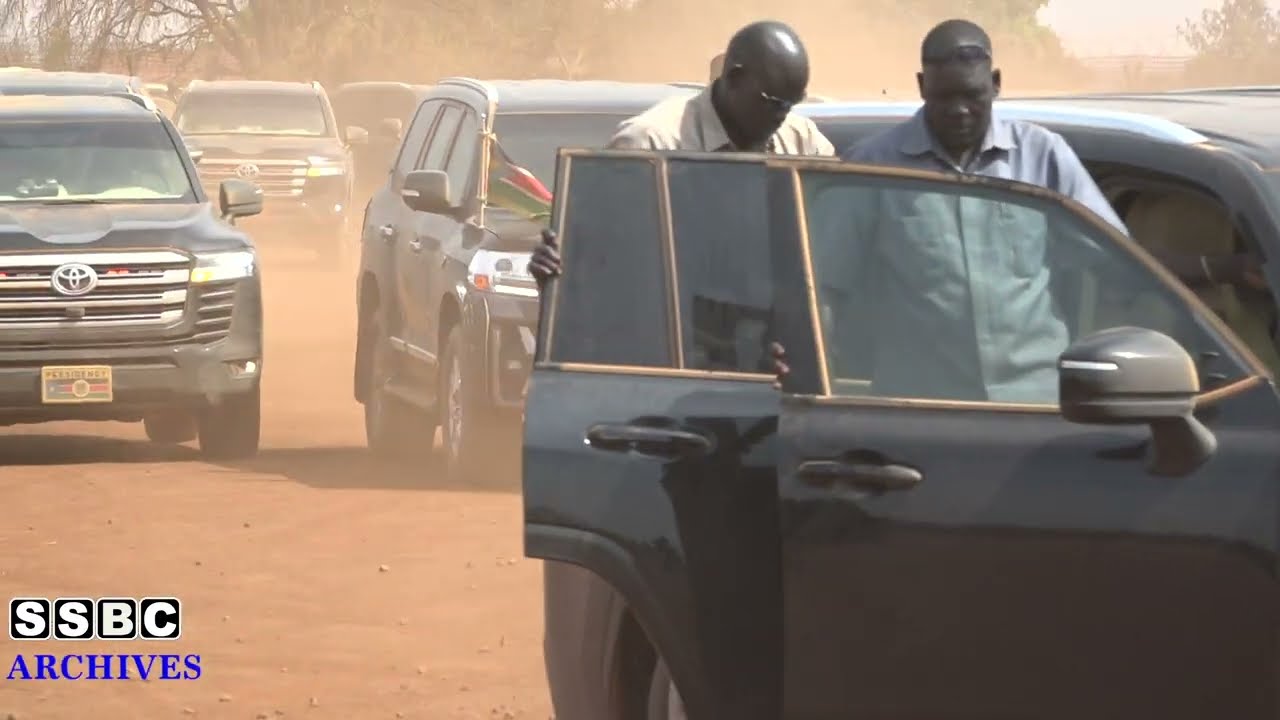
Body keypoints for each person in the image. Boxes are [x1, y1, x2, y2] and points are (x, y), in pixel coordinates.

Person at [527, 19, 835, 286]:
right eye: (774, 102)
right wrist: (558, 274)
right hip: (670, 335)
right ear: (735, 78)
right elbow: (595, 259)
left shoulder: (804, 143)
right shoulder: (649, 145)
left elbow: (833, 249)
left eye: (793, 103)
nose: (784, 114)